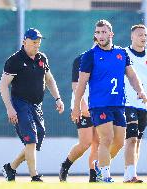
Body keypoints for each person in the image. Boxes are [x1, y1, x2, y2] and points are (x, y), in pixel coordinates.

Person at [71, 19, 147, 183]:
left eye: (104, 32)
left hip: (119, 104)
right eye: (97, 33)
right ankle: (105, 175)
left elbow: (132, 75)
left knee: (119, 141)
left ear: (111, 34)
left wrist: (140, 91)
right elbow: (82, 83)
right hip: (99, 105)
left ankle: (99, 164)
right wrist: (76, 107)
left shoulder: (121, 53)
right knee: (106, 138)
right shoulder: (89, 56)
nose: (100, 35)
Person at [0, 28, 64, 182]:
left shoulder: (42, 58)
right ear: (24, 42)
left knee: (35, 139)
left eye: (38, 42)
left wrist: (58, 98)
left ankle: (11, 167)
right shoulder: (14, 60)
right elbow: (3, 86)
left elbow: (49, 79)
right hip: (20, 104)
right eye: (34, 42)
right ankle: (34, 176)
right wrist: (10, 108)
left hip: (36, 105)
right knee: (31, 140)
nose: (37, 45)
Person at [59, 40, 99, 183]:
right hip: (82, 106)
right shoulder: (81, 59)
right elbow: (76, 87)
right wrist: (82, 105)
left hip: (98, 106)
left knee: (98, 143)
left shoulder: (106, 59)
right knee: (85, 143)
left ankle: (94, 178)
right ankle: (65, 165)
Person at [123, 24, 147, 183]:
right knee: (131, 138)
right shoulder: (124, 54)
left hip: (144, 105)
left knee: (138, 141)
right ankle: (131, 175)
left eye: (145, 35)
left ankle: (130, 174)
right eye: (140, 34)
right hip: (127, 103)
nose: (143, 37)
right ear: (132, 37)